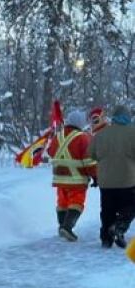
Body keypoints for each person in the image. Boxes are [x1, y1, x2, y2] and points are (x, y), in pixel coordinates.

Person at [46, 108, 96, 241]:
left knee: (62, 202)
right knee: (76, 202)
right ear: (80, 123)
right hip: (76, 178)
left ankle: (62, 226)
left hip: (59, 177)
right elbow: (89, 161)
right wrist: (96, 176)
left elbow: (50, 152)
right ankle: (67, 228)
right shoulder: (83, 138)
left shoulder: (58, 136)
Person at [89, 104, 135, 248]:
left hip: (106, 180)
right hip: (127, 179)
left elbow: (91, 153)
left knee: (107, 209)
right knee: (130, 206)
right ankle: (119, 227)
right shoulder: (133, 132)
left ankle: (106, 239)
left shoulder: (101, 134)